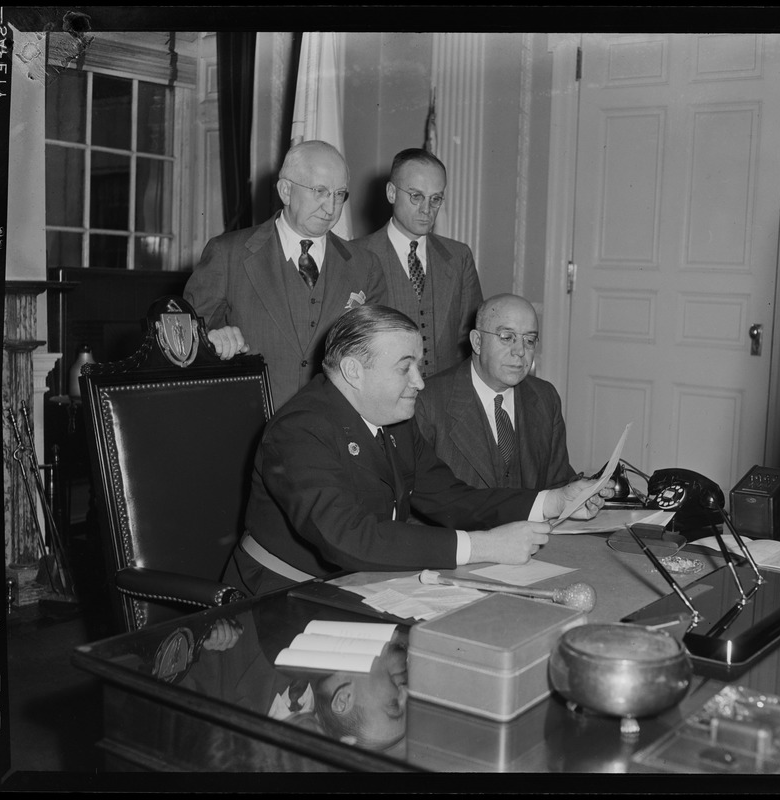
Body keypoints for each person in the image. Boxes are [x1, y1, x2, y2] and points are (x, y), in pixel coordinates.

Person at [224, 304, 610, 597]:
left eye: (419, 366)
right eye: (404, 368)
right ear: (354, 371)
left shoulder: (393, 419)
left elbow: (452, 499)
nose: (420, 382)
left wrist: (554, 501)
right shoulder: (300, 430)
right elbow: (350, 539)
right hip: (279, 596)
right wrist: (484, 546)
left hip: (362, 585)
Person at [184, 140, 388, 410]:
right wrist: (211, 341)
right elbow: (182, 342)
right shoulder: (228, 254)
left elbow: (377, 356)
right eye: (320, 191)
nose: (331, 208)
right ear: (286, 191)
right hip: (248, 425)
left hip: (331, 431)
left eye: (340, 195)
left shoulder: (366, 265)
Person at [415, 293, 575, 490]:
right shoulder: (428, 403)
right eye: (507, 337)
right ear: (477, 342)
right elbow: (415, 504)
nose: (520, 351)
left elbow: (558, 483)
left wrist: (585, 493)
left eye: (530, 340)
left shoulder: (545, 397)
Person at [353, 148, 482, 379]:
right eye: (416, 196)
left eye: (436, 199)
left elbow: (471, 341)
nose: (427, 209)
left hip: (444, 403)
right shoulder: (356, 256)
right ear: (392, 193)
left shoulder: (458, 257)